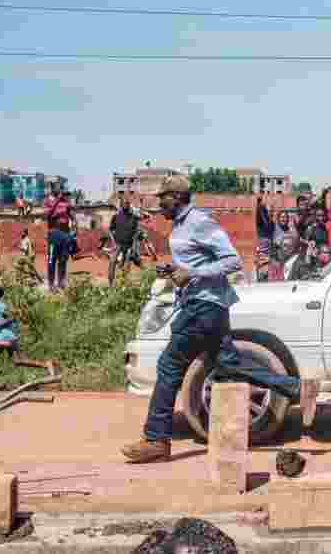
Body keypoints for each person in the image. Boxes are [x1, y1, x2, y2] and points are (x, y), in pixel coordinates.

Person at [121, 175, 300, 464]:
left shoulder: (199, 222)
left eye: (162, 198)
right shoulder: (180, 225)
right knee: (229, 363)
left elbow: (232, 261)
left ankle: (156, 439)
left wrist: (191, 274)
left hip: (204, 306)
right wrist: (177, 269)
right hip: (204, 305)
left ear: (177, 197)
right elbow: (197, 262)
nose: (158, 204)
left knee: (169, 365)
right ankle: (291, 387)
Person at [0, 284, 58, 391]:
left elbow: (11, 318)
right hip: (5, 335)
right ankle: (46, 364)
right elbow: (3, 319)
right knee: (18, 361)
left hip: (5, 336)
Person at [47, 220, 77, 292]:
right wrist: (72, 253)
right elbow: (72, 246)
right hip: (60, 252)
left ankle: (51, 284)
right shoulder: (68, 235)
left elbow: (49, 242)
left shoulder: (51, 233)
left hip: (52, 250)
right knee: (62, 266)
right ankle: (60, 284)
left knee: (51, 265)